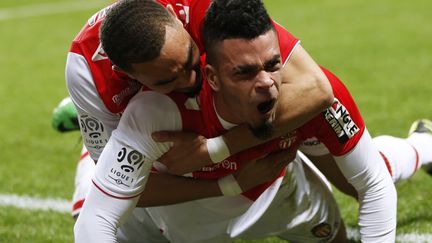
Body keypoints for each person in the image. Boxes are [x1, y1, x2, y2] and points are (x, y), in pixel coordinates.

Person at [74, 0, 432, 242]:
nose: (189, 82)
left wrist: (214, 151)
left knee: (361, 174)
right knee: (106, 196)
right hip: (178, 180)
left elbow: (318, 90)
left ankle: (422, 144)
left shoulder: (210, 15)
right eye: (168, 80)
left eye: (191, 62)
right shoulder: (135, 105)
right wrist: (227, 183)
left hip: (270, 170)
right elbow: (110, 206)